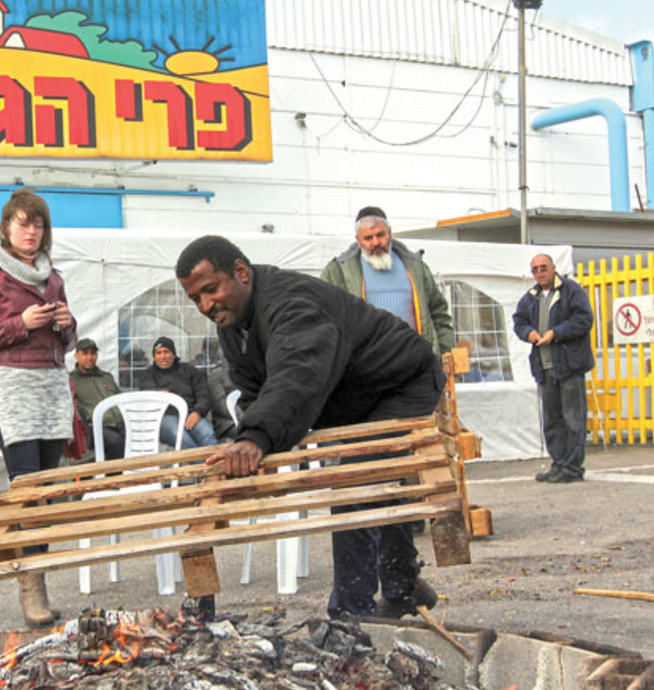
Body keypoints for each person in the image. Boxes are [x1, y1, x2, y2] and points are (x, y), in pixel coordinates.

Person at [175, 235, 445, 619]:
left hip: (401, 382)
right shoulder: (234, 323)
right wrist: (255, 439)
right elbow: (256, 388)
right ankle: (403, 587)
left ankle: (352, 615)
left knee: (358, 482)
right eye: (195, 299)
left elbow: (297, 371)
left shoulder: (292, 303)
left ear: (240, 272)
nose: (205, 305)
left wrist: (258, 436)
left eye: (210, 290)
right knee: (378, 479)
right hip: (352, 394)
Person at [0, 187, 77, 628]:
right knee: (25, 491)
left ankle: (37, 578)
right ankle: (30, 587)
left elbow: (68, 342)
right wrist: (18, 324)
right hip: (13, 386)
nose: (31, 231)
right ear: (6, 227)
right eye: (23, 223)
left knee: (43, 495)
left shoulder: (54, 278)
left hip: (51, 386)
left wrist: (68, 326)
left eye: (38, 224)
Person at [321, 206, 455, 356]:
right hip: (365, 370)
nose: (376, 242)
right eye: (368, 238)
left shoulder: (416, 267)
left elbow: (439, 314)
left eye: (380, 235)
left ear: (390, 234)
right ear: (358, 241)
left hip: (416, 366)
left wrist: (445, 356)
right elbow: (324, 322)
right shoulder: (337, 272)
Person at [512, 253, 594, 483]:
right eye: (535, 269)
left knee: (573, 419)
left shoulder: (571, 290)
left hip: (569, 365)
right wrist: (528, 333)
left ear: (553, 268)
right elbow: (518, 321)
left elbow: (584, 319)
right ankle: (559, 464)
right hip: (544, 366)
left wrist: (556, 333)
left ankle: (572, 468)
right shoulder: (531, 297)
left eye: (543, 268)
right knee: (552, 420)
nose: (539, 273)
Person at [138, 337, 219, 448]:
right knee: (181, 438)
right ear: (154, 356)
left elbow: (203, 395)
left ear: (174, 354)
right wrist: (160, 392)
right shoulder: (148, 375)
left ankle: (216, 464)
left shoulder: (190, 371)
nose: (163, 356)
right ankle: (203, 464)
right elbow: (147, 393)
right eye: (158, 353)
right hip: (164, 417)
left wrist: (198, 412)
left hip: (190, 414)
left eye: (167, 352)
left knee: (207, 435)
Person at [68, 338, 125, 461]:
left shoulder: (106, 377)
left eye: (93, 353)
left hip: (121, 424)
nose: (89, 357)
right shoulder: (71, 380)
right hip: (95, 427)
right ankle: (114, 478)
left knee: (139, 439)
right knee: (116, 442)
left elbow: (121, 400)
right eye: (85, 353)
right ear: (76, 356)